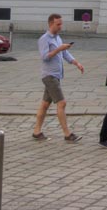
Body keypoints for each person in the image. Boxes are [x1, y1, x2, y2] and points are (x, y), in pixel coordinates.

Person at [33, 13, 84, 143]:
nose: (60, 26)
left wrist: (76, 63)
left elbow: (65, 53)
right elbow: (44, 56)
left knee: (45, 104)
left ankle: (36, 131)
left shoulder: (57, 38)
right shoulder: (44, 39)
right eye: (58, 24)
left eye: (61, 24)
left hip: (56, 75)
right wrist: (58, 49)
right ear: (51, 24)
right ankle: (67, 134)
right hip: (49, 76)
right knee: (62, 103)